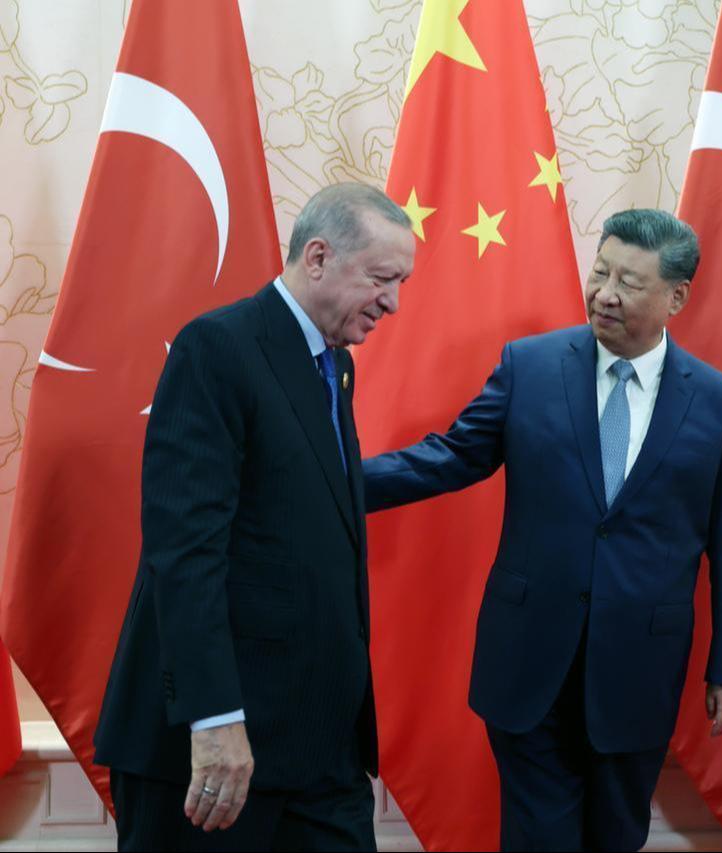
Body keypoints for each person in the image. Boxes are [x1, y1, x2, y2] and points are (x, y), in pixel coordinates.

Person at [364, 208, 722, 852]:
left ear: (676, 297)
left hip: (638, 670)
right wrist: (333, 480)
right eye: (600, 272)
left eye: (629, 282)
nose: (605, 294)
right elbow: (451, 457)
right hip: (529, 661)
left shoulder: (721, 405)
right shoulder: (531, 367)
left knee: (615, 837)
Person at [93, 183, 415, 851]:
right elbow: (185, 548)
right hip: (216, 748)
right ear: (318, 258)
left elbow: (311, 499)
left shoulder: (336, 366)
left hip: (319, 748)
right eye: (382, 279)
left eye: (400, 283)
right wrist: (214, 718)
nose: (393, 302)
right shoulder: (218, 347)